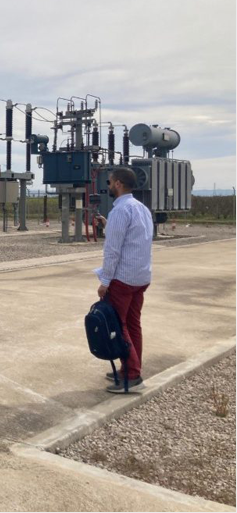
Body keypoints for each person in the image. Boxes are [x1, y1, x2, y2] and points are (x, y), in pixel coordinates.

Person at [94, 167, 153, 394]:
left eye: (109, 182)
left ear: (118, 184)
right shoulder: (141, 209)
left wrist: (105, 281)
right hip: (141, 276)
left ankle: (131, 375)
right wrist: (108, 225)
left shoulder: (120, 211)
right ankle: (130, 367)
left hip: (123, 278)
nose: (108, 186)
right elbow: (133, 238)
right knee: (133, 324)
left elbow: (112, 251)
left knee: (119, 325)